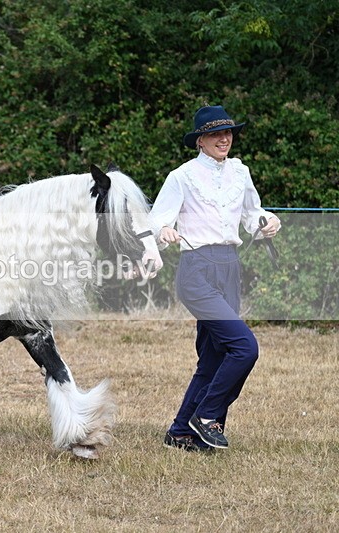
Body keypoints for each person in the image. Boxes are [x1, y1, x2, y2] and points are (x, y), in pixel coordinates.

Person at [149, 104, 281, 452]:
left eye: (228, 132)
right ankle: (207, 417)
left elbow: (253, 215)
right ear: (200, 141)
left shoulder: (240, 172)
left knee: (215, 356)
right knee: (244, 347)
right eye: (215, 134)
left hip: (229, 266)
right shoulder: (182, 176)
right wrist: (164, 231)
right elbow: (156, 219)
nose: (224, 138)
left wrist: (266, 222)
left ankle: (180, 433)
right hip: (196, 270)